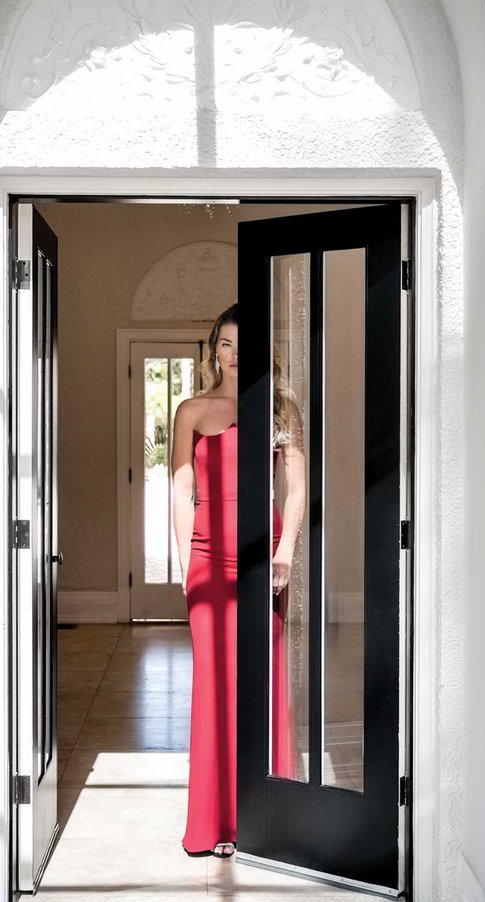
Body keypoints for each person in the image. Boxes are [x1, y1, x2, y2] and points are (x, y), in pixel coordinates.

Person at [171, 302, 305, 859]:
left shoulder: (279, 407)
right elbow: (180, 490)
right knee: (213, 685)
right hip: (207, 559)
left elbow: (296, 489)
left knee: (264, 678)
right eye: (224, 344)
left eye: (241, 344)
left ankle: (270, 820)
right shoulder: (191, 411)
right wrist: (185, 565)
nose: (231, 355)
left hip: (262, 560)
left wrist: (286, 550)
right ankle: (217, 823)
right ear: (213, 350)